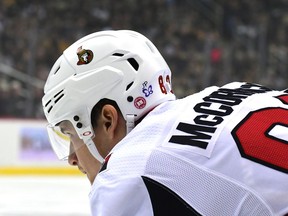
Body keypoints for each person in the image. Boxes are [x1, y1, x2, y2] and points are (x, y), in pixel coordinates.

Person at [42, 30, 288, 216]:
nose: (73, 157)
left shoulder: (127, 175)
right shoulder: (237, 90)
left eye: (71, 133)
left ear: (108, 120)